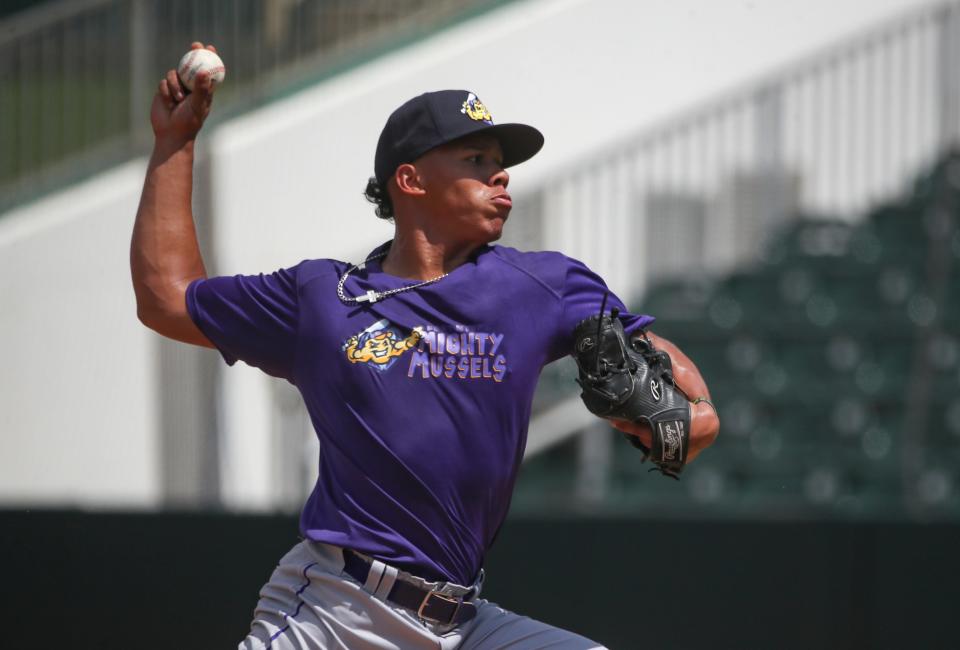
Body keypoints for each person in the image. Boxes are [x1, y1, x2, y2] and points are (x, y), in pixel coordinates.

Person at [131, 42, 720, 650]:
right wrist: (175, 144)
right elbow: (167, 299)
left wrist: (690, 421)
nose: (501, 173)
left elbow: (683, 393)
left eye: (500, 161)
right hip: (337, 613)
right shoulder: (322, 297)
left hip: (462, 622)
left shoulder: (542, 285)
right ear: (409, 180)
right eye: (476, 157)